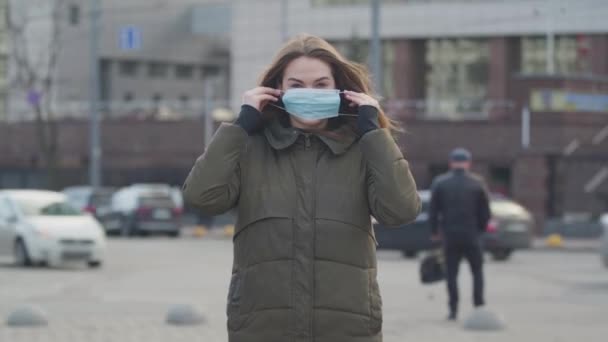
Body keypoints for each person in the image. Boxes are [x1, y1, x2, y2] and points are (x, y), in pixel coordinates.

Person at [182, 34, 421, 342]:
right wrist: (239, 127)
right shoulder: (250, 147)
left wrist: (375, 135)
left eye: (321, 85)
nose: (309, 93)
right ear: (277, 91)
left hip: (347, 331)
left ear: (341, 90)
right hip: (263, 330)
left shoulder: (364, 150)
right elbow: (201, 198)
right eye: (296, 85)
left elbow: (401, 211)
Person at [429, 148, 491, 321]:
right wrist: (481, 230)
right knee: (477, 271)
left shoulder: (440, 183)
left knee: (451, 274)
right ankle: (479, 306)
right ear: (468, 163)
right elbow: (485, 213)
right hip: (472, 235)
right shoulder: (478, 183)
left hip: (450, 235)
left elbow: (433, 211)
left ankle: (453, 309)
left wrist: (435, 232)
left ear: (451, 163)